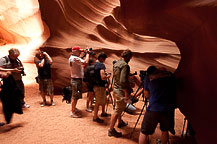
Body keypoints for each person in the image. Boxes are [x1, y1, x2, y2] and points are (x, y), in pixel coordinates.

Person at [139, 66, 177, 144]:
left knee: (144, 132)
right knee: (165, 130)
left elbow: (146, 95)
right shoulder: (170, 77)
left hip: (154, 108)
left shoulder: (148, 77)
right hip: (168, 109)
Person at [108, 49, 133, 137]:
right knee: (118, 110)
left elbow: (116, 77)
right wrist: (127, 91)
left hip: (116, 89)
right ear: (128, 56)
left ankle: (120, 122)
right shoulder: (125, 65)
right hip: (121, 91)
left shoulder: (116, 63)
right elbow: (122, 81)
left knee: (118, 108)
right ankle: (111, 130)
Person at [69, 46, 89, 118]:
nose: (80, 52)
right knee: (75, 96)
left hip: (75, 79)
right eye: (79, 51)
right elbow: (85, 62)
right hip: (76, 80)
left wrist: (84, 51)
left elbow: (81, 60)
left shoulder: (73, 58)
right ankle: (72, 112)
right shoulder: (75, 58)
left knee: (74, 96)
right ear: (75, 52)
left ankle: (74, 108)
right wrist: (88, 54)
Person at [93, 52, 111, 123]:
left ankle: (103, 113)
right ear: (101, 58)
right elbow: (103, 77)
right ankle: (95, 117)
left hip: (95, 85)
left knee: (104, 99)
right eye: (104, 59)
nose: (104, 61)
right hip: (100, 86)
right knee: (98, 102)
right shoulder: (101, 65)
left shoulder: (94, 64)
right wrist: (107, 76)